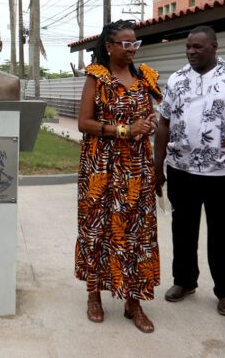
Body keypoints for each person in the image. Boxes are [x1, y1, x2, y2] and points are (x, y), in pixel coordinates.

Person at [154, 25, 225, 316]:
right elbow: (163, 123)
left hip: (222, 171)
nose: (191, 52)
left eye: (197, 47)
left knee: (224, 234)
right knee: (182, 229)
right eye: (188, 47)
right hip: (181, 168)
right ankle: (184, 281)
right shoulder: (176, 79)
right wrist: (157, 165)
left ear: (214, 46)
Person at [76, 19, 160, 333]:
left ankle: (134, 301)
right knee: (96, 228)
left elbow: (150, 115)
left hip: (137, 167)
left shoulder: (145, 77)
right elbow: (85, 123)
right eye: (125, 44)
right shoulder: (96, 77)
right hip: (100, 166)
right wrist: (124, 129)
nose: (131, 49)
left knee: (136, 231)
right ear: (109, 46)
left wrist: (147, 123)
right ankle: (94, 294)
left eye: (134, 44)